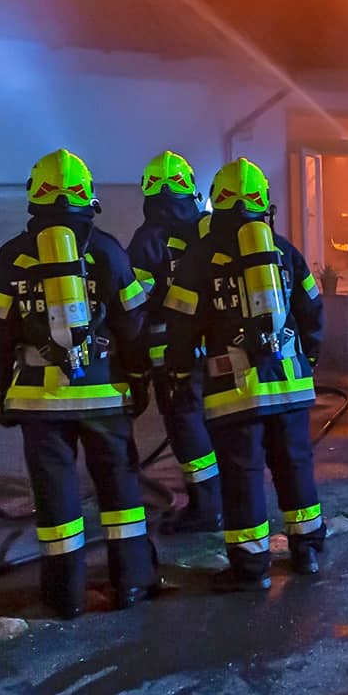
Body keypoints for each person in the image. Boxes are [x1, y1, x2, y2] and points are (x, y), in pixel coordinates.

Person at [0, 149, 158, 618]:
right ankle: (133, 582)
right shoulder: (108, 251)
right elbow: (132, 324)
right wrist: (137, 380)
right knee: (120, 493)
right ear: (87, 198)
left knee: (55, 497)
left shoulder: (13, 256)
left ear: (34, 198)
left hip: (40, 401)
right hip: (104, 396)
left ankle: (64, 596)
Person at [163, 158, 327, 586]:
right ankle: (307, 551)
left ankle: (252, 568)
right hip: (291, 384)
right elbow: (312, 308)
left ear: (217, 201)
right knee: (295, 468)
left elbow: (180, 324)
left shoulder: (199, 258)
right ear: (263, 202)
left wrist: (179, 373)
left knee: (243, 477)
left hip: (234, 392)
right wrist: (307, 360)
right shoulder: (284, 250)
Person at [128, 151, 221, 533]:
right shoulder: (213, 229)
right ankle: (230, 498)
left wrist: (133, 365)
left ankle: (205, 508)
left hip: (170, 355)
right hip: (222, 350)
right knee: (220, 424)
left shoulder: (147, 240)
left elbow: (133, 308)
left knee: (186, 427)